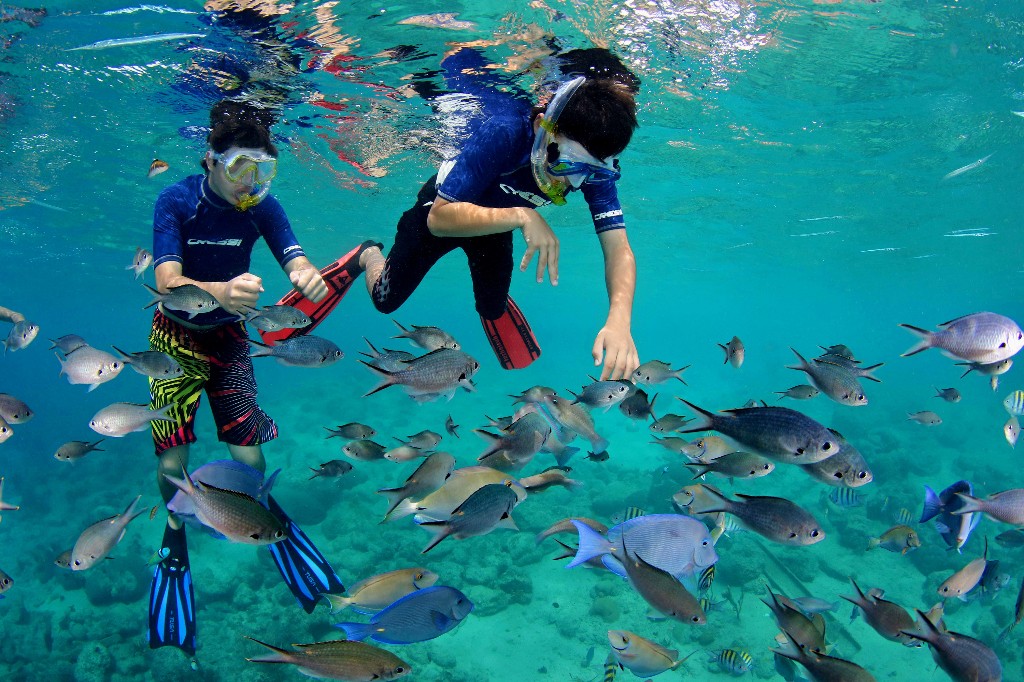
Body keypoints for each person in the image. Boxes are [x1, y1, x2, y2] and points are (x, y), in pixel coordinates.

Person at [146, 99, 344, 660]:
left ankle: (262, 519)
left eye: (264, 170)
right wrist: (219, 293)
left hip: (231, 340)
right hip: (174, 343)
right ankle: (175, 536)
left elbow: (293, 256)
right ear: (210, 159)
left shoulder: (263, 206)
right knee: (171, 462)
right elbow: (166, 282)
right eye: (239, 169)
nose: (251, 183)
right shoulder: (177, 200)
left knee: (250, 453)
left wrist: (305, 276)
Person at [356, 47, 642, 379]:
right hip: (443, 213)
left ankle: (492, 299)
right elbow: (439, 219)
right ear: (542, 127)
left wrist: (619, 320)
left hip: (494, 225)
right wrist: (523, 216)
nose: (572, 182)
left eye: (590, 173)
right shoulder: (505, 130)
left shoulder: (591, 166)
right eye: (565, 164)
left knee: (493, 308)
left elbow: (618, 248)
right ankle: (367, 253)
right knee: (384, 301)